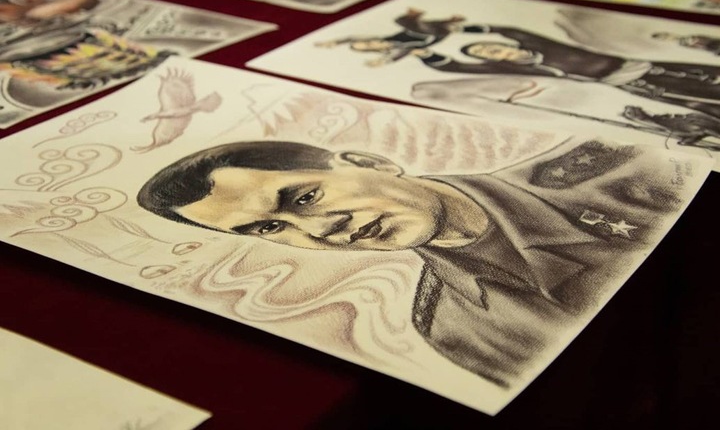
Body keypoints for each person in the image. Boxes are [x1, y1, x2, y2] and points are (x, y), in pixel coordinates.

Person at [137, 139, 688, 387]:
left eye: (304, 197)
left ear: (368, 161)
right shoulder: (455, 329)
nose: (320, 230)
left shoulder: (633, 172)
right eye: (270, 228)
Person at [410, 26, 720, 121]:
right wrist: (426, 55)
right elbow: (457, 67)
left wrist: (469, 29)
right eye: (485, 54)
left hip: (642, 66)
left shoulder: (536, 44)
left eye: (491, 48)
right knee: (690, 100)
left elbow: (512, 30)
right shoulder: (516, 67)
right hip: (625, 83)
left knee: (705, 78)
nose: (492, 53)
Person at [315, 8, 486, 66]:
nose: (370, 42)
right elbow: (399, 54)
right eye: (368, 46)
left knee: (409, 24)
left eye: (366, 42)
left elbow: (353, 37)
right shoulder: (396, 48)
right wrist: (384, 61)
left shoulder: (384, 38)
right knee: (409, 24)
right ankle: (447, 21)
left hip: (423, 29)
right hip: (433, 35)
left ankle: (448, 21)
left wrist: (335, 41)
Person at [652, 31, 720, 56]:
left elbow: (709, 38)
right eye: (665, 38)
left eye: (666, 35)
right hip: (712, 48)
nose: (669, 37)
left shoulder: (692, 36)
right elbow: (699, 48)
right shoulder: (683, 44)